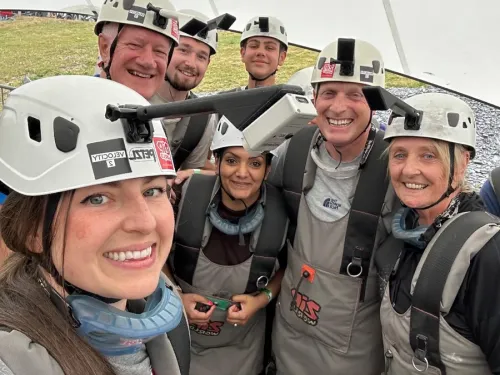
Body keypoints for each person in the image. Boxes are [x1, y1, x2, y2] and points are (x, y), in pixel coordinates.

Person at [0, 75, 190, 375]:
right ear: (33, 231)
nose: (144, 222)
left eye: (152, 191)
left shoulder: (164, 317)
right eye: (98, 198)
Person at [268, 38, 397, 375]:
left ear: (376, 103)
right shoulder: (291, 153)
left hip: (353, 353)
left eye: (355, 94)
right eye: (328, 93)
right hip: (288, 338)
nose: (338, 108)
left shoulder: (395, 167)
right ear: (313, 97)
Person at [375, 91, 500, 374]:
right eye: (399, 154)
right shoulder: (405, 231)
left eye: (428, 155)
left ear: (463, 163)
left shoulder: (486, 254)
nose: (409, 169)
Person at [166, 116, 289, 375]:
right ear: (217, 163)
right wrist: (176, 297)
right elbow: (155, 257)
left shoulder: (282, 212)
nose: (242, 173)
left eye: (255, 163)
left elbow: (288, 267)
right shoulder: (185, 196)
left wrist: (261, 300)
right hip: (180, 341)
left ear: (267, 170)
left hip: (243, 350)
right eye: (232, 160)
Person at [150, 9, 219, 173]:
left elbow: (190, 175)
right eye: (183, 50)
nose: (191, 63)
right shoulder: (134, 97)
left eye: (201, 57)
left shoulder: (201, 119)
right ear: (165, 50)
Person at [94, 0, 181, 100]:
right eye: (135, 45)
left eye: (160, 51)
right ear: (104, 47)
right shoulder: (74, 105)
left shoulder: (164, 114)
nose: (148, 62)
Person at [234, 16, 288, 91]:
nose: (260, 52)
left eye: (270, 48)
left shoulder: (290, 102)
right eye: (254, 46)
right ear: (243, 53)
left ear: (282, 57)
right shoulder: (225, 101)